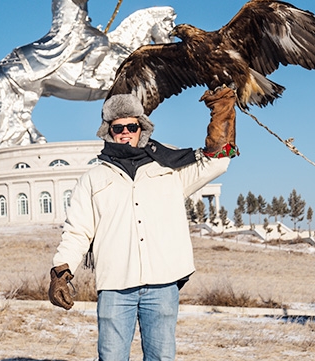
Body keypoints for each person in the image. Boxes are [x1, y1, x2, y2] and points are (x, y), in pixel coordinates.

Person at [48, 87, 238, 361]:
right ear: (107, 132)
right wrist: (61, 271)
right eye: (118, 127)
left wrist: (222, 112)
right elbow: (78, 230)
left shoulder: (168, 168)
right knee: (111, 357)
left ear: (142, 128)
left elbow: (218, 163)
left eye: (131, 126)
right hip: (115, 285)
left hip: (162, 283)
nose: (125, 132)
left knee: (161, 357)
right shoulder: (94, 178)